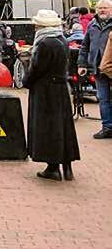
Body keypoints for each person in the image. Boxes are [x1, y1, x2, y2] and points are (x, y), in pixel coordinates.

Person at [23, 10, 80, 181]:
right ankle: (67, 167)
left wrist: (26, 80)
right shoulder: (62, 40)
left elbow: (37, 69)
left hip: (46, 91)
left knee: (49, 128)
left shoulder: (45, 43)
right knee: (64, 126)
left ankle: (53, 167)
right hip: (61, 88)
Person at [77, 0, 112, 138]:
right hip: (97, 68)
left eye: (105, 8)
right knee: (103, 99)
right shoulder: (92, 25)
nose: (102, 10)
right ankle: (107, 127)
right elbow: (85, 46)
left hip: (110, 67)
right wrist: (82, 64)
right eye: (100, 8)